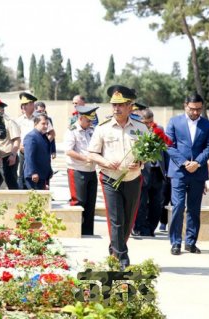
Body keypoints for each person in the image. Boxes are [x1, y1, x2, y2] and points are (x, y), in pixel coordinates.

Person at [88, 84, 148, 270]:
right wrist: (105, 162)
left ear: (130, 106)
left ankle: (115, 247)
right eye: (114, 104)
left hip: (133, 179)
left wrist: (140, 163)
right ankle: (122, 257)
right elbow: (92, 153)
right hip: (109, 178)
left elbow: (146, 153)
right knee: (116, 219)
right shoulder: (102, 128)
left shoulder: (140, 128)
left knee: (128, 220)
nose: (116, 108)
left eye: (121, 105)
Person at [166, 92, 209, 255]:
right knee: (178, 206)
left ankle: (191, 242)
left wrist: (197, 162)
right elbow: (169, 146)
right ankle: (175, 243)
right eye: (193, 109)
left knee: (194, 209)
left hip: (198, 172)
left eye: (199, 109)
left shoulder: (207, 125)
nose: (195, 112)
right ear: (185, 106)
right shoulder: (174, 122)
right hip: (179, 171)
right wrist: (185, 162)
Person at [132, 108, 168, 237]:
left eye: (150, 122)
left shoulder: (160, 130)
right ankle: (139, 228)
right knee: (141, 202)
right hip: (142, 171)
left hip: (158, 171)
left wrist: (167, 172)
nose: (148, 125)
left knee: (157, 202)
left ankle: (151, 228)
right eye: (146, 122)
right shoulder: (136, 131)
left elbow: (165, 151)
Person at [64, 105, 98, 235]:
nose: (90, 123)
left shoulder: (92, 130)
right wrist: (84, 159)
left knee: (90, 203)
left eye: (91, 121)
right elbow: (68, 151)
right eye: (88, 120)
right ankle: (75, 231)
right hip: (77, 170)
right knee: (78, 201)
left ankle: (88, 232)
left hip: (91, 170)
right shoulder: (71, 131)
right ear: (81, 118)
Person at [16, 92, 55, 189]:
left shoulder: (41, 118)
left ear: (32, 104)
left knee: (40, 178)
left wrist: (42, 145)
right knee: (23, 177)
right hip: (23, 152)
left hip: (38, 153)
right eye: (23, 105)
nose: (24, 107)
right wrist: (20, 146)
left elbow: (52, 133)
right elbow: (17, 137)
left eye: (26, 104)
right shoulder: (19, 120)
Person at [0, 98, 21, 189]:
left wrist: (13, 155)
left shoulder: (9, 122)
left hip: (8, 157)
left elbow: (16, 140)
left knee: (11, 184)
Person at [23, 114, 53, 190]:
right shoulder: (31, 137)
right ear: (36, 124)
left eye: (47, 124)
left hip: (42, 175)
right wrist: (33, 172)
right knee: (35, 199)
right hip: (34, 176)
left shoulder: (43, 136)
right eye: (43, 123)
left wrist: (49, 170)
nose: (46, 126)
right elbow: (29, 156)